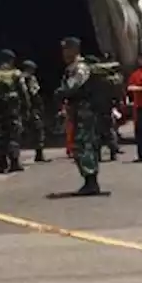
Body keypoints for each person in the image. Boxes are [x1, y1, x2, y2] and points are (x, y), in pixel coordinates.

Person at [54, 37, 102, 194]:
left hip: (84, 112)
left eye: (66, 49)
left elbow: (73, 85)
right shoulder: (72, 67)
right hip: (78, 111)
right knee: (80, 144)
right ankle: (89, 180)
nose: (64, 53)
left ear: (74, 49)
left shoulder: (80, 67)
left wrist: (61, 92)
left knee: (84, 144)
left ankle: (91, 181)